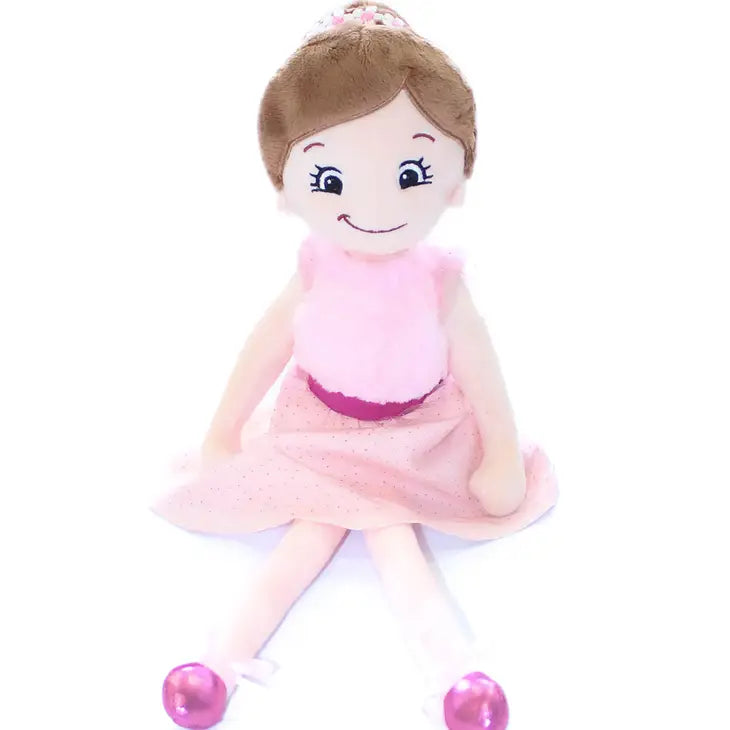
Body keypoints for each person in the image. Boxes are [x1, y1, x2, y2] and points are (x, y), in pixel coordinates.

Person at [155, 4, 558, 728]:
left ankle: (450, 671)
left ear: (456, 177)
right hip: (318, 427)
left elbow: (480, 367)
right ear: (286, 186)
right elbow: (266, 344)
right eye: (332, 177)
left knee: (389, 538)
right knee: (314, 537)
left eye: (411, 172)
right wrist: (224, 430)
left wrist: (500, 451)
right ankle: (224, 659)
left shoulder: (439, 279)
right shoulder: (315, 266)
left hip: (416, 436)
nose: (374, 203)